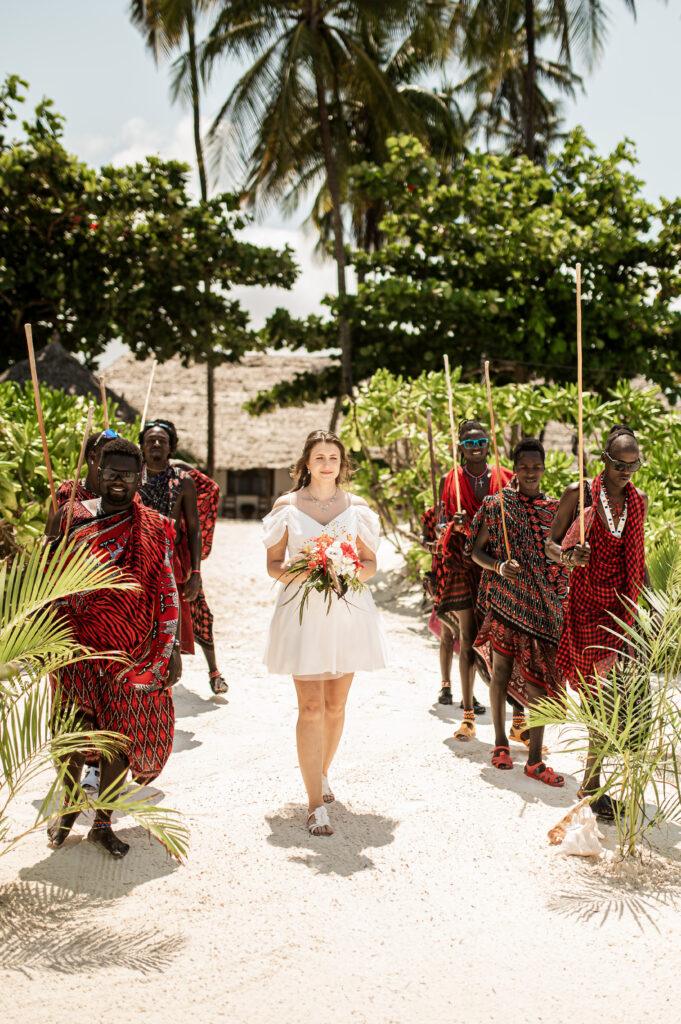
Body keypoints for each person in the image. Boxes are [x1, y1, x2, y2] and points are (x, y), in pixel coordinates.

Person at [46, 438, 181, 858]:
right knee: (71, 731)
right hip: (76, 646)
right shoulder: (72, 516)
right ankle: (68, 807)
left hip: (130, 651)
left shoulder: (155, 525)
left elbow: (165, 587)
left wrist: (170, 645)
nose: (118, 479)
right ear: (98, 470)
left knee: (119, 739)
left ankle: (102, 822)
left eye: (127, 472)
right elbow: (46, 576)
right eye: (111, 470)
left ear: (140, 477)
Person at [263, 430, 388, 837]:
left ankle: (321, 773)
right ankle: (315, 804)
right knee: (310, 708)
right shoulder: (287, 506)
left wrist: (345, 569)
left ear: (342, 464)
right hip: (302, 615)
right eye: (319, 457)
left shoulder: (358, 509)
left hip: (346, 612)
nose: (326, 464)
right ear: (307, 463)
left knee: (335, 706)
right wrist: (306, 570)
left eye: (333, 457)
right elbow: (274, 565)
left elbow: (369, 564)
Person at [545, 425, 647, 817]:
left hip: (622, 611)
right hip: (586, 608)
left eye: (633, 464)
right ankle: (591, 789)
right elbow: (550, 544)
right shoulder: (580, 493)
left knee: (613, 705)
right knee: (598, 703)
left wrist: (648, 605)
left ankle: (591, 786)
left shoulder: (638, 501)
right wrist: (569, 557)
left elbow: (637, 556)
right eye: (620, 464)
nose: (627, 471)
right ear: (605, 459)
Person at [469, 439, 569, 785]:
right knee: (501, 672)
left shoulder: (554, 509)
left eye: (536, 467)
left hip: (542, 610)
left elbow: (558, 555)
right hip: (507, 603)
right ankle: (499, 744)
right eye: (524, 466)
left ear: (544, 469)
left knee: (537, 681)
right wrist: (498, 567)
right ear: (515, 468)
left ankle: (536, 759)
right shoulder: (497, 505)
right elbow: (476, 551)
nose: (530, 472)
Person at [422, 420, 525, 743]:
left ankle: (519, 717)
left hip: (499, 567)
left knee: (508, 641)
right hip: (464, 564)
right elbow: (439, 528)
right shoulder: (449, 480)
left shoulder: (507, 478)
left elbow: (520, 516)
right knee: (466, 637)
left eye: (481, 441)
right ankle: (467, 715)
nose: (476, 447)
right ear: (461, 447)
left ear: (489, 442)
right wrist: (453, 525)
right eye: (469, 443)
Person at [138, 419, 228, 695]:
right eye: (150, 440)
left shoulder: (183, 480)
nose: (155, 444)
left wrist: (196, 573)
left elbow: (193, 530)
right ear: (141, 446)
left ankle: (214, 671)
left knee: (197, 610)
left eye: (162, 441)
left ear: (171, 447)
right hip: (138, 557)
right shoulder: (130, 476)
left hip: (173, 560)